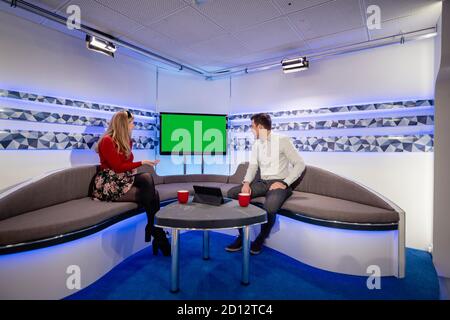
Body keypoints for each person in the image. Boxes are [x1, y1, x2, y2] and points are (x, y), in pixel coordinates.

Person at [91, 110, 170, 256]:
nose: (134, 125)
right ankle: (156, 230)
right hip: (109, 183)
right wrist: (142, 162)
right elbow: (117, 167)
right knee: (148, 183)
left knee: (151, 188)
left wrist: (140, 163)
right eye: (131, 122)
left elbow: (124, 165)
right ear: (123, 124)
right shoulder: (107, 141)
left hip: (122, 178)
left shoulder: (127, 140)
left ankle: (155, 229)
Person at [226, 113, 305, 255]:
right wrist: (246, 183)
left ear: (260, 127)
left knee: (270, 207)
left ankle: (260, 239)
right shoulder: (257, 144)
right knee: (232, 193)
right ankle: (242, 235)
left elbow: (299, 164)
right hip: (262, 183)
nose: (251, 129)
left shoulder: (282, 140)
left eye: (252, 126)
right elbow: (252, 166)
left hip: (279, 183)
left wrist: (285, 183)